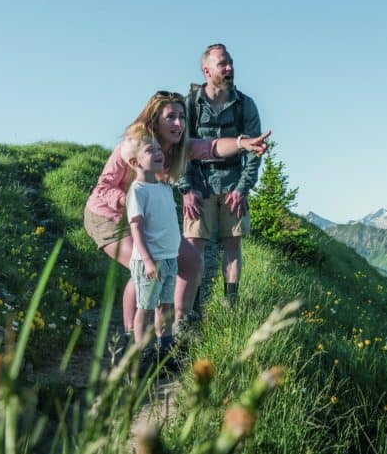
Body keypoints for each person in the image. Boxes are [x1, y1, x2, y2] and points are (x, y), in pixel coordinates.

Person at [84, 90, 270, 346]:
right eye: (171, 117)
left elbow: (210, 148)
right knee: (144, 268)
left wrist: (241, 143)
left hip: (148, 219)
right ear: (154, 119)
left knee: (192, 261)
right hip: (109, 218)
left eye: (182, 117)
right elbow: (103, 187)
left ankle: (174, 329)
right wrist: (124, 200)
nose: (179, 124)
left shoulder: (178, 147)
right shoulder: (134, 145)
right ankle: (132, 343)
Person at [177, 44, 262, 309]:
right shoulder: (189, 104)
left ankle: (230, 302)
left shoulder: (245, 104)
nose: (229, 68)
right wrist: (185, 188)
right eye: (222, 64)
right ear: (206, 70)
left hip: (232, 184)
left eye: (231, 63)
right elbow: (179, 148)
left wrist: (242, 189)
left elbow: (255, 150)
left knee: (232, 243)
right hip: (198, 184)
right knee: (193, 245)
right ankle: (192, 306)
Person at [121, 127, 178, 356]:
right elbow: (136, 227)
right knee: (144, 307)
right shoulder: (138, 191)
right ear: (135, 162)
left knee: (166, 306)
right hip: (150, 261)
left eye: (158, 149)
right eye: (149, 150)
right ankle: (141, 353)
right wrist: (147, 260)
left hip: (169, 258)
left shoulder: (164, 187)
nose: (158, 152)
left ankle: (164, 350)